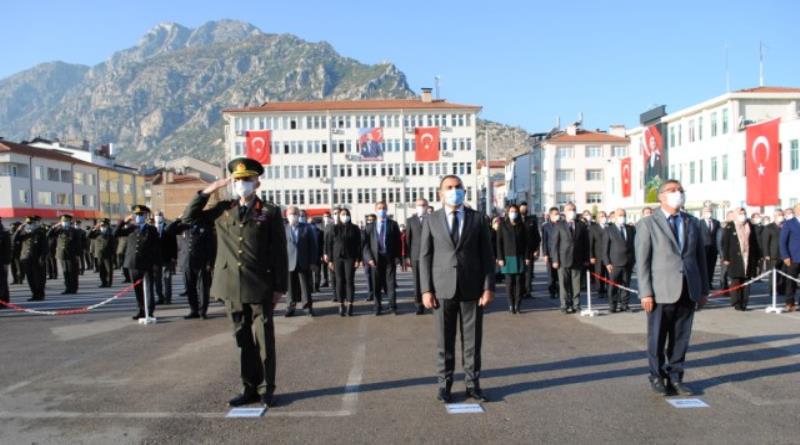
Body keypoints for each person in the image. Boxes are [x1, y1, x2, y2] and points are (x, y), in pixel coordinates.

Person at [183, 157, 287, 408]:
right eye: (238, 180)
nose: (242, 184)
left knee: (264, 340)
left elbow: (279, 252)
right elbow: (189, 217)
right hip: (230, 285)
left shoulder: (269, 212)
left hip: (260, 285)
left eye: (247, 180)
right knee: (242, 340)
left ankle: (266, 389)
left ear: (257, 182)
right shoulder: (224, 210)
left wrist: (279, 287)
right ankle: (248, 387)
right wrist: (209, 190)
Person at [420, 175, 495, 404]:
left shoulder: (478, 219)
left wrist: (488, 287)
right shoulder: (432, 220)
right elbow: (425, 256)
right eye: (449, 187)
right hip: (442, 290)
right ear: (440, 193)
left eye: (458, 187)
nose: (454, 191)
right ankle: (444, 386)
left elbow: (487, 256)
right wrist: (426, 290)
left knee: (472, 342)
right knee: (445, 342)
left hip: (472, 289)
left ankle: (473, 385)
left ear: (464, 190)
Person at [635, 179, 708, 396]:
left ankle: (676, 376)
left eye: (681, 190)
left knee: (681, 337)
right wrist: (645, 292)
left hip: (688, 289)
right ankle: (656, 375)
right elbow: (643, 261)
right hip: (660, 291)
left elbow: (700, 258)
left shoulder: (692, 222)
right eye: (673, 190)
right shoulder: (649, 223)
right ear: (661, 196)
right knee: (657, 337)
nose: (678, 193)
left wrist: (703, 289)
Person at [116, 205, 161, 320]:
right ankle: (141, 310)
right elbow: (116, 233)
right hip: (133, 263)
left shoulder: (151, 229)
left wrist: (156, 264)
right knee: (137, 289)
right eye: (136, 215)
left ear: (146, 216)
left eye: (141, 215)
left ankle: (149, 311)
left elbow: (156, 247)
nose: (138, 217)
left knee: (149, 288)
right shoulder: (131, 228)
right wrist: (123, 221)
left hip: (147, 263)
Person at [550, 203, 590, 314]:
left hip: (578, 259)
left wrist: (586, 258)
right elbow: (554, 244)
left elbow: (586, 244)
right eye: (569, 209)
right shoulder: (559, 225)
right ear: (564, 212)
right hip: (562, 260)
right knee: (563, 284)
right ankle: (564, 305)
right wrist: (555, 260)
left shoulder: (581, 225)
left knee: (576, 285)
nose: (572, 211)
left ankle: (576, 305)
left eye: (574, 209)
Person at [363, 201, 402, 315]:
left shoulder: (393, 224)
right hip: (375, 259)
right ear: (376, 209)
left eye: (384, 208)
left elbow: (398, 242)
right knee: (376, 284)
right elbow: (365, 245)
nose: (382, 210)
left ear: (387, 209)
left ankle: (392, 306)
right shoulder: (369, 226)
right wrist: (369, 258)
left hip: (389, 258)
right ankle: (377, 306)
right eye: (379, 208)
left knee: (390, 284)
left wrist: (398, 257)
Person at [172, 218, 215, 319]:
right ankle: (194, 310)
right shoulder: (183, 227)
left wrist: (210, 263)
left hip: (201, 263)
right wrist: (178, 219)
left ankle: (203, 311)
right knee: (190, 288)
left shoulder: (205, 228)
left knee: (203, 288)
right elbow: (170, 230)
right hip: (186, 262)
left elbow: (211, 247)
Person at [720, 208, 760, 311]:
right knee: (736, 280)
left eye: (744, 213)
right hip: (735, 258)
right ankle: (736, 301)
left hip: (748, 257)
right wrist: (726, 258)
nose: (743, 215)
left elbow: (755, 242)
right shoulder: (730, 227)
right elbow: (725, 243)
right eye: (740, 213)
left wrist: (757, 257)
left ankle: (744, 302)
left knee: (746, 281)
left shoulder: (750, 226)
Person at [496, 204, 531, 314]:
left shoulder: (522, 226)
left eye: (515, 211)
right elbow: (499, 243)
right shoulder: (503, 225)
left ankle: (518, 304)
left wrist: (527, 257)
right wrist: (500, 258)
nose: (513, 213)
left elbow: (527, 243)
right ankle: (511, 304)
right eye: (511, 211)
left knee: (519, 282)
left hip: (520, 257)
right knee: (509, 282)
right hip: (507, 257)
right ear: (507, 212)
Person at [328, 208, 362, 316]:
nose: (345, 215)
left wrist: (358, 259)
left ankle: (350, 304)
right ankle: (341, 304)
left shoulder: (355, 228)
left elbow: (359, 245)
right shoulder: (334, 228)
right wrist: (330, 260)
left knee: (349, 280)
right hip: (337, 258)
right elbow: (329, 245)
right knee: (339, 281)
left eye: (347, 214)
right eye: (343, 214)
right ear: (339, 216)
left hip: (350, 258)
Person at [284, 206, 317, 317]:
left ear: (298, 215)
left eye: (295, 214)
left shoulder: (306, 228)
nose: (292, 216)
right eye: (290, 214)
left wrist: (313, 262)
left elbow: (313, 246)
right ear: (286, 215)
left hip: (303, 261)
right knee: (290, 287)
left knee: (305, 286)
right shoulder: (284, 229)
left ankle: (307, 306)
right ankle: (290, 307)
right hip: (288, 262)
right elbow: (280, 248)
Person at [603, 209, 636, 312]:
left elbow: (633, 246)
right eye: (620, 215)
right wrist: (607, 262)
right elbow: (605, 248)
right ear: (615, 217)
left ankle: (624, 305)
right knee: (613, 285)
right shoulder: (609, 229)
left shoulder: (630, 229)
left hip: (628, 262)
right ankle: (612, 306)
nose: (623, 217)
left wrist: (633, 260)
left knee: (625, 285)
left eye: (624, 215)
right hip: (614, 263)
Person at [12, 216, 47, 301]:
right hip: (26, 259)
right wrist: (19, 229)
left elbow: (45, 247)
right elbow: (13, 239)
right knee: (30, 277)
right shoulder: (24, 233)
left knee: (39, 278)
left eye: (30, 223)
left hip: (37, 259)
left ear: (35, 223)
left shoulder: (40, 232)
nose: (29, 225)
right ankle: (34, 294)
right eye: (27, 223)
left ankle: (40, 295)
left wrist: (42, 258)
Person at [47, 214, 82, 295]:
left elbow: (78, 244)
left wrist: (78, 255)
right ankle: (67, 288)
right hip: (62, 254)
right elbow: (48, 235)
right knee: (65, 272)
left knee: (72, 272)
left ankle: (73, 288)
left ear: (70, 222)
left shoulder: (74, 231)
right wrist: (54, 226)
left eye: (66, 221)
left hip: (72, 254)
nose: (65, 222)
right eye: (63, 221)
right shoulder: (59, 230)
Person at [405, 198, 429, 315]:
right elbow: (408, 239)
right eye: (419, 205)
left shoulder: (432, 218)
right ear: (415, 206)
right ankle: (419, 304)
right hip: (416, 255)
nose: (422, 207)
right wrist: (408, 256)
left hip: (430, 255)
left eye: (424, 205)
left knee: (431, 280)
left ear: (427, 206)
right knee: (417, 281)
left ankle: (430, 301)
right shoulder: (410, 220)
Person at [152, 211, 177, 305]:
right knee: (157, 280)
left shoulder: (169, 227)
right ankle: (160, 297)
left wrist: (174, 257)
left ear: (163, 217)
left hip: (167, 258)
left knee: (167, 279)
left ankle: (168, 298)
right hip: (155, 259)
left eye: (160, 215)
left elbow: (174, 243)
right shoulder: (151, 228)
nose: (158, 217)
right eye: (156, 215)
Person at [779, 203, 800, 312]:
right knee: (790, 282)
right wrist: (785, 256)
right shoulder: (789, 223)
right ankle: (789, 302)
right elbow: (782, 241)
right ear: (795, 211)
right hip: (793, 258)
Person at [518, 202, 541, 299]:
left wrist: (537, 249)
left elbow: (537, 237)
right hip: (518, 251)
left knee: (529, 272)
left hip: (530, 250)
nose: (524, 210)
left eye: (525, 208)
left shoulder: (531, 221)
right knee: (520, 272)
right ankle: (520, 291)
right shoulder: (515, 221)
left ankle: (528, 291)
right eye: (522, 208)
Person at [762, 210, 785, 295]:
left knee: (783, 273)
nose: (781, 216)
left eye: (782, 215)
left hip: (784, 254)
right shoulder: (769, 227)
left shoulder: (785, 226)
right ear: (774, 216)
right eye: (779, 215)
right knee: (773, 274)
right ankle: (773, 290)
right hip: (773, 255)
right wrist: (766, 254)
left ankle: (781, 289)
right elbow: (765, 242)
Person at [586, 210, 607, 298]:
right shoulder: (593, 228)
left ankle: (608, 289)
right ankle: (600, 290)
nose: (604, 218)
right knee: (599, 273)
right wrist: (591, 256)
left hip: (609, 255)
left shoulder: (609, 227)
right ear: (598, 218)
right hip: (598, 255)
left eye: (604, 216)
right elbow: (590, 243)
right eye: (601, 216)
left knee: (608, 274)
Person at [88, 218, 116, 288]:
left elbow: (114, 244)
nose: (103, 227)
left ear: (107, 225)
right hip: (99, 254)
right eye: (101, 226)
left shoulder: (111, 233)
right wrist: (94, 228)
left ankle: (109, 283)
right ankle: (103, 282)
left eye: (104, 226)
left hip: (108, 254)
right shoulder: (97, 232)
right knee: (101, 269)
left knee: (109, 269)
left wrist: (113, 254)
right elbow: (89, 235)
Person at [699, 207, 721, 290]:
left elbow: (718, 235)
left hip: (713, 248)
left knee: (711, 267)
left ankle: (709, 283)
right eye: (706, 212)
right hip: (703, 248)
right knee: (703, 267)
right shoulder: (699, 223)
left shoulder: (716, 222)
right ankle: (703, 284)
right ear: (703, 213)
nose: (708, 213)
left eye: (710, 211)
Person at [541, 208, 560, 299]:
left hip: (560, 253)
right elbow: (544, 241)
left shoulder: (562, 224)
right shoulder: (546, 226)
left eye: (558, 213)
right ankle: (552, 291)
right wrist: (545, 254)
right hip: (550, 253)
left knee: (559, 274)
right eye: (555, 214)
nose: (557, 215)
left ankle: (560, 290)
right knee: (551, 275)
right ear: (551, 215)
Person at [718, 210, 735, 290]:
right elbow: (719, 243)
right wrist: (723, 255)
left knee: (731, 273)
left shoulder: (734, 227)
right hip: (725, 255)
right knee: (724, 272)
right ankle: (723, 287)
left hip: (733, 255)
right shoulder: (723, 228)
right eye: (732, 216)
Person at [0, 218, 10, 307]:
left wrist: (6, 263)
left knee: (2, 282)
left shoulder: (4, 234)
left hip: (1, 261)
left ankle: (4, 301)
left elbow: (7, 249)